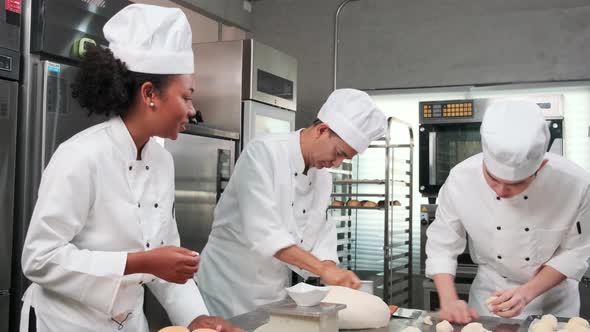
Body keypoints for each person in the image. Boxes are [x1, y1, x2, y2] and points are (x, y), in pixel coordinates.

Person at [20, 4, 240, 332]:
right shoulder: (81, 155)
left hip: (128, 322)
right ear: (150, 94)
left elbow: (166, 260)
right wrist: (138, 262)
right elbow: (38, 259)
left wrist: (196, 318)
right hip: (65, 323)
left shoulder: (162, 161)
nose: (192, 111)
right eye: (186, 96)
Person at [196, 89, 387, 318]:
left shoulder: (322, 178)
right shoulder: (264, 152)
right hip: (227, 285)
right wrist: (323, 269)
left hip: (274, 289)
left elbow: (320, 232)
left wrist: (333, 270)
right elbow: (264, 232)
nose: (337, 163)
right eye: (338, 153)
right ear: (322, 130)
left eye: (345, 158)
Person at [426, 100, 590, 322]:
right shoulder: (460, 179)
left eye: (517, 183)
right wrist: (449, 300)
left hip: (553, 305)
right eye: (492, 178)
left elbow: (576, 251)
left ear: (539, 166)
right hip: (488, 300)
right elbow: (442, 244)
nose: (502, 191)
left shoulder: (575, 184)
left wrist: (526, 294)